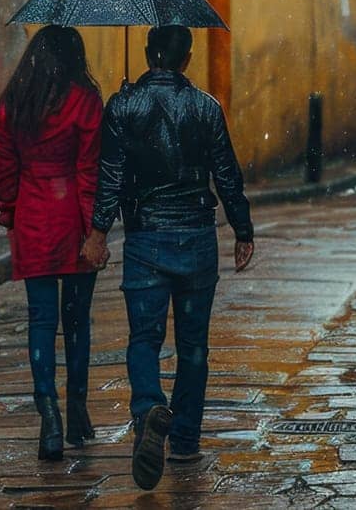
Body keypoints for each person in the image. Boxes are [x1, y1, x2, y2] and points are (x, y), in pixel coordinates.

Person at [82, 25, 254, 491]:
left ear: (148, 53)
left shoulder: (123, 105)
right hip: (197, 239)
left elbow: (111, 176)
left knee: (144, 339)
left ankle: (147, 413)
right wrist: (242, 228)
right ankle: (183, 439)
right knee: (193, 346)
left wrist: (98, 231)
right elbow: (226, 173)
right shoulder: (207, 107)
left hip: (146, 240)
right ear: (187, 58)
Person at [0, 25, 105, 462]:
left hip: (33, 221)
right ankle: (77, 410)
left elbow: (7, 173)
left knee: (41, 322)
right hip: (73, 223)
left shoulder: (12, 105)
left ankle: (50, 418)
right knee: (77, 323)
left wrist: (9, 215)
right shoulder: (85, 102)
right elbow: (89, 173)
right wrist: (94, 228)